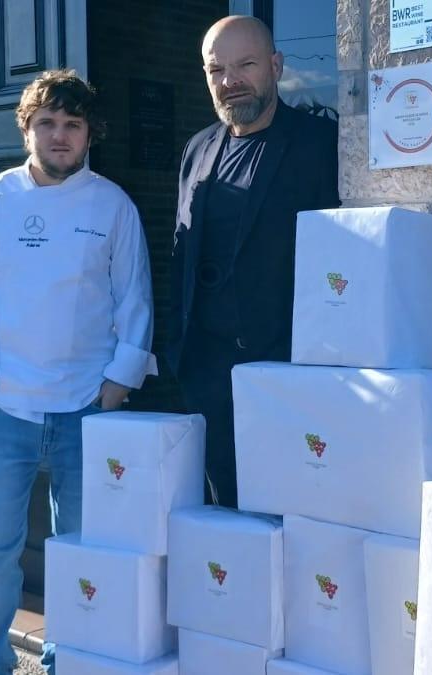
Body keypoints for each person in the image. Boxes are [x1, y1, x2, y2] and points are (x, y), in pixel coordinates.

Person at [0, 68, 157, 675]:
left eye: (73, 124)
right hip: (5, 404)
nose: (60, 135)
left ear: (90, 134)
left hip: (88, 407)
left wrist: (117, 386)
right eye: (48, 123)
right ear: (26, 128)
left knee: (82, 552)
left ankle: (70, 657)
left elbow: (133, 299)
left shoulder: (112, 206)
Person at [169, 15, 340, 508]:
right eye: (216, 69)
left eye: (245, 64)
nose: (230, 80)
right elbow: (181, 253)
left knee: (292, 510)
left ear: (276, 66)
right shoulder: (197, 149)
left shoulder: (320, 144)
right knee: (222, 520)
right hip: (207, 376)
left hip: (286, 370)